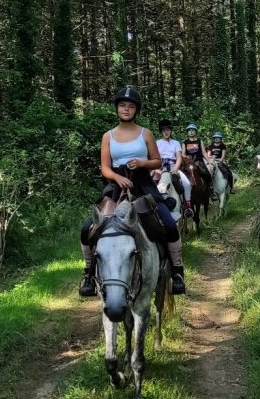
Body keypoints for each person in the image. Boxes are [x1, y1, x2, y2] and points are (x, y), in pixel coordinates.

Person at [78, 88, 186, 297]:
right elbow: (104, 167)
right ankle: (89, 276)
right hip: (116, 186)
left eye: (131, 106)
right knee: (86, 228)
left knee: (169, 224)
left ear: (136, 110)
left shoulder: (146, 133)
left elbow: (157, 161)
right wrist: (117, 177)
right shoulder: (107, 136)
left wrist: (142, 162)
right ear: (117, 108)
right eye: (122, 105)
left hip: (143, 184)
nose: (126, 109)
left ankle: (177, 273)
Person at [156, 119, 194, 218]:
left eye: (168, 130)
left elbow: (179, 158)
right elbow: (154, 158)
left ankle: (187, 206)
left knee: (187, 183)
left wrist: (176, 169)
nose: (166, 132)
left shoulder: (176, 143)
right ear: (161, 131)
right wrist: (157, 170)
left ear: (171, 131)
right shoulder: (157, 143)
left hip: (173, 167)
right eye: (164, 130)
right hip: (160, 168)